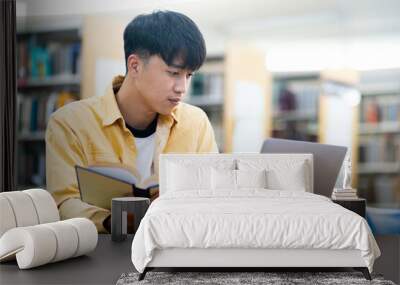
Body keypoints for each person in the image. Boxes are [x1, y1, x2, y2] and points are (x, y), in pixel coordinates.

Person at [45, 10, 218, 233]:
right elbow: (63, 203)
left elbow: (213, 194)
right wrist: (117, 220)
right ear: (135, 66)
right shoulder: (70, 123)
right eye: (174, 73)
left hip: (175, 248)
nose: (182, 88)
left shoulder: (196, 122)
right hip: (101, 252)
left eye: (189, 75)